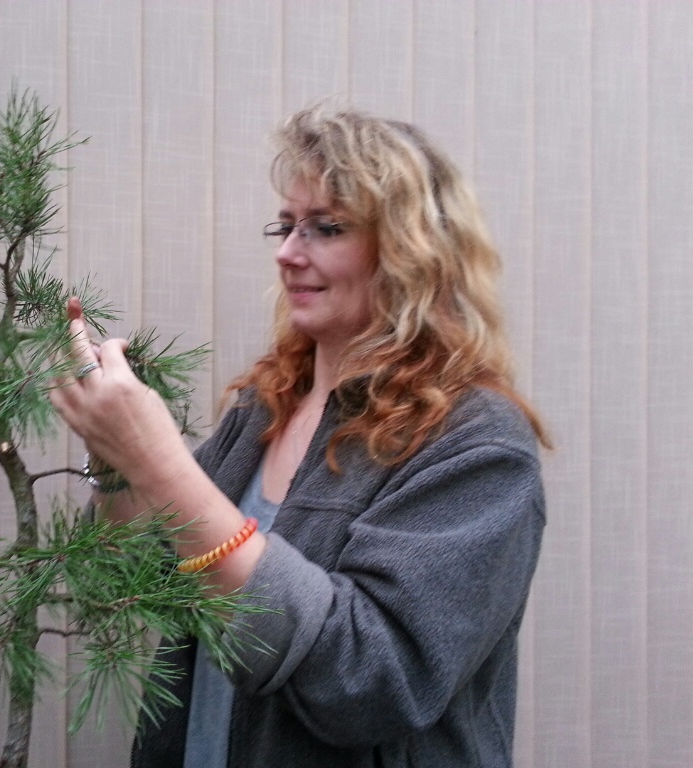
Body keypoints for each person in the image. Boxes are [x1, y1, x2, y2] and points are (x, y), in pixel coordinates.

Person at [50, 105, 550, 768]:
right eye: (285, 226)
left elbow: (369, 677)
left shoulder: (475, 445)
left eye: (326, 227)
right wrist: (116, 457)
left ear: (410, 251)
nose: (287, 253)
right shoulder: (267, 406)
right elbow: (133, 581)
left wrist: (161, 463)